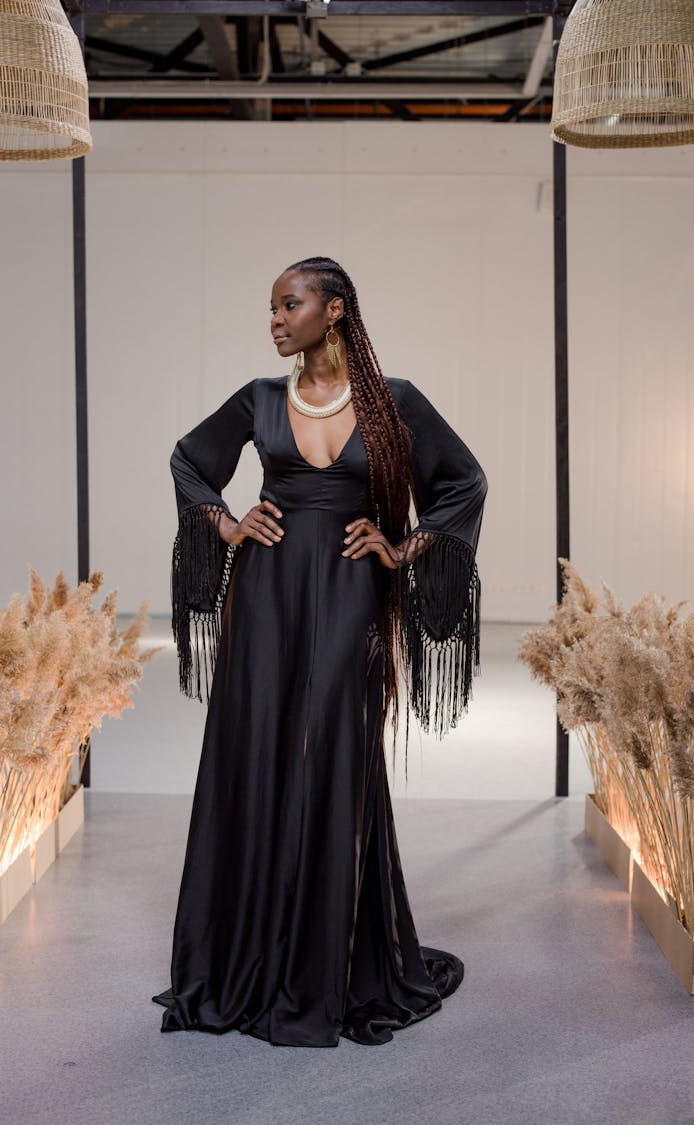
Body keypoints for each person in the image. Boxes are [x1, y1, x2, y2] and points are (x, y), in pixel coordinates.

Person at [153, 256, 487, 1047]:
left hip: (347, 598)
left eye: (288, 304)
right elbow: (189, 461)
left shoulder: (393, 402)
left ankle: (327, 963)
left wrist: (405, 548)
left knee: (334, 753)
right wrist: (226, 525)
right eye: (270, 307)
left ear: (333, 311)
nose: (274, 319)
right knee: (259, 750)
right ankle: (250, 959)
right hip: (264, 597)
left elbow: (463, 481)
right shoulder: (260, 398)